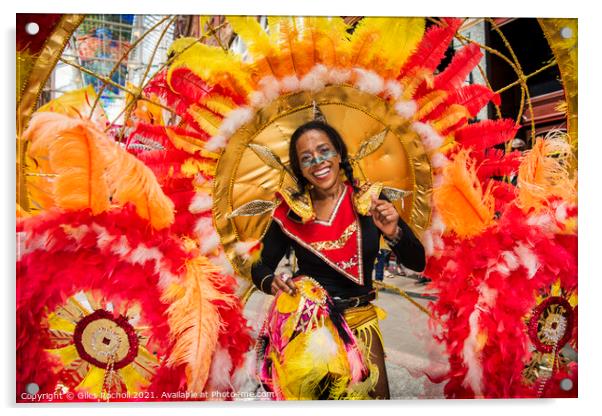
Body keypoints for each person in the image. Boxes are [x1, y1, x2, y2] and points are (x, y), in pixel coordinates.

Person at [251, 120, 426, 399]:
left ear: (339, 154)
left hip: (363, 323)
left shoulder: (370, 199)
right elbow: (258, 265)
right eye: (306, 158)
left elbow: (418, 261)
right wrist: (271, 281)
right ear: (299, 168)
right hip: (311, 329)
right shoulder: (290, 212)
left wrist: (394, 232)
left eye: (324, 151)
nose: (317, 161)